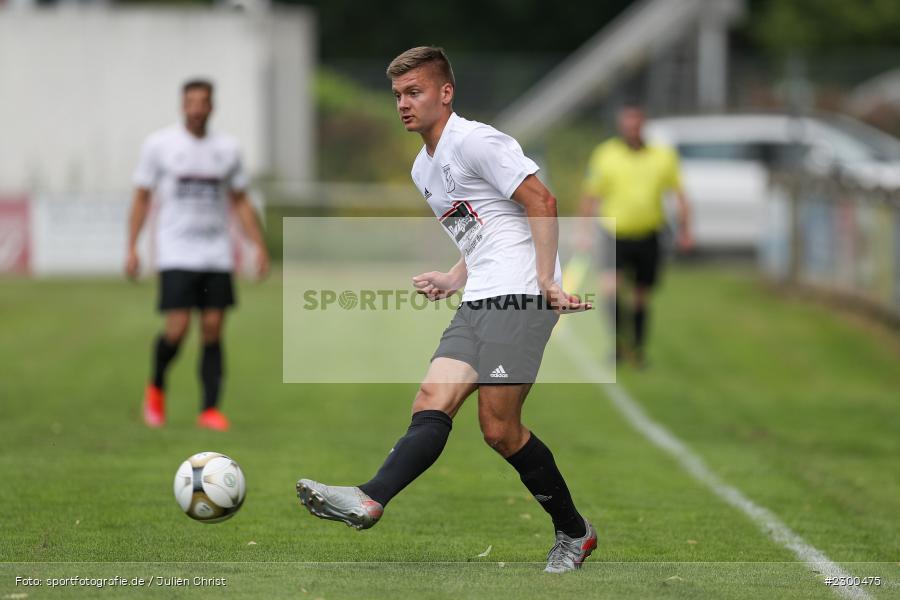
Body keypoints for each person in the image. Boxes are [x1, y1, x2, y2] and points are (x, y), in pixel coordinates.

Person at [296, 47, 597, 573]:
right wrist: (455, 276)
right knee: (430, 401)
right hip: (479, 295)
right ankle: (369, 499)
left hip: (520, 296)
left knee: (499, 429)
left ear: (445, 93)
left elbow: (541, 201)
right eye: (397, 96)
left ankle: (575, 533)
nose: (404, 105)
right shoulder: (422, 168)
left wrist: (548, 280)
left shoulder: (476, 140)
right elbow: (479, 227)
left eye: (414, 92)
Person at [126, 79, 269, 431]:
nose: (196, 108)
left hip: (217, 253)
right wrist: (131, 246)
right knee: (176, 329)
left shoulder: (228, 148)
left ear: (211, 106)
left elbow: (240, 200)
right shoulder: (160, 145)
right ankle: (156, 388)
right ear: (182, 105)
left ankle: (209, 409)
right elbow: (142, 196)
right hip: (176, 251)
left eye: (202, 101)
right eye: (190, 101)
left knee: (212, 328)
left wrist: (258, 246)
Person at [580, 104, 692, 367]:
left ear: (643, 125)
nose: (632, 129)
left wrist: (686, 230)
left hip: (648, 233)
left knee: (641, 295)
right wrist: (584, 231)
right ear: (621, 126)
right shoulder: (605, 154)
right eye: (627, 124)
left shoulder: (662, 156)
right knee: (611, 289)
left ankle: (638, 349)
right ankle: (617, 345)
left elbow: (679, 195)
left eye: (636, 124)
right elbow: (591, 195)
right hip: (613, 233)